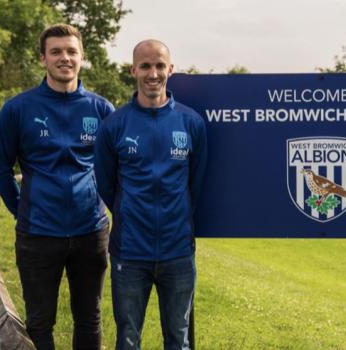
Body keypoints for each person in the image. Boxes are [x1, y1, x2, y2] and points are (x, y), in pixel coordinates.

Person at [0, 24, 113, 349]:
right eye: (56, 51)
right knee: (39, 322)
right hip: (38, 234)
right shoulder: (17, 109)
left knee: (90, 319)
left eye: (71, 51)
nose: (65, 58)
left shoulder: (101, 110)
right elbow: (0, 170)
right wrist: (24, 210)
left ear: (82, 57)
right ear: (43, 58)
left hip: (91, 232)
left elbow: (118, 171)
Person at [94, 39, 207, 350]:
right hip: (129, 253)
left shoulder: (191, 122)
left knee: (178, 339)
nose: (153, 73)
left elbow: (194, 184)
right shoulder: (114, 125)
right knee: (128, 339)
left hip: (178, 252)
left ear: (170, 69)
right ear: (133, 70)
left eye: (159, 66)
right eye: (145, 66)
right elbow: (105, 184)